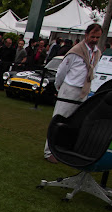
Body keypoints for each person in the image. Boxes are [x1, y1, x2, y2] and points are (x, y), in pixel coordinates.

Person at [43, 24, 103, 163]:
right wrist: (59, 87)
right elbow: (62, 71)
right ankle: (48, 151)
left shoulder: (96, 53)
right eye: (92, 36)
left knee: (75, 122)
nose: (94, 39)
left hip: (84, 90)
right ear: (86, 35)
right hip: (70, 88)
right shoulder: (75, 52)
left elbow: (94, 71)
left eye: (97, 37)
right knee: (59, 119)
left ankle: (63, 150)